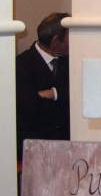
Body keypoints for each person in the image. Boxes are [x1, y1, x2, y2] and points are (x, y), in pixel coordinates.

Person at [15, 12, 70, 164]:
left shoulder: (71, 60)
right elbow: (30, 108)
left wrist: (54, 93)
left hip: (67, 149)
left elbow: (80, 94)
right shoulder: (20, 65)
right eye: (70, 37)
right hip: (35, 152)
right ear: (55, 41)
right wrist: (64, 97)